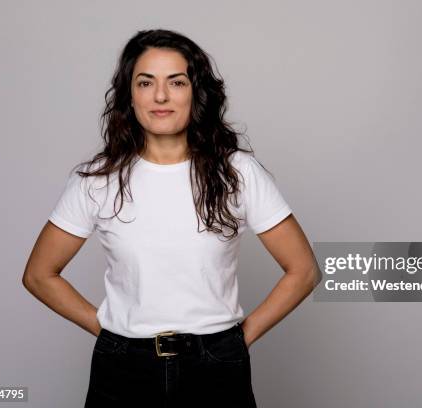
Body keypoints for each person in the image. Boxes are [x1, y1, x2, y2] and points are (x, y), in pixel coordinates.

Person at [22, 28, 321, 407]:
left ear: (196, 92)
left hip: (216, 367)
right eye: (145, 82)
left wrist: (238, 339)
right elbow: (38, 274)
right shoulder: (97, 180)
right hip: (123, 369)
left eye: (176, 82)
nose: (160, 96)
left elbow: (304, 270)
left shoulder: (238, 173)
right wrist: (110, 332)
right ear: (129, 95)